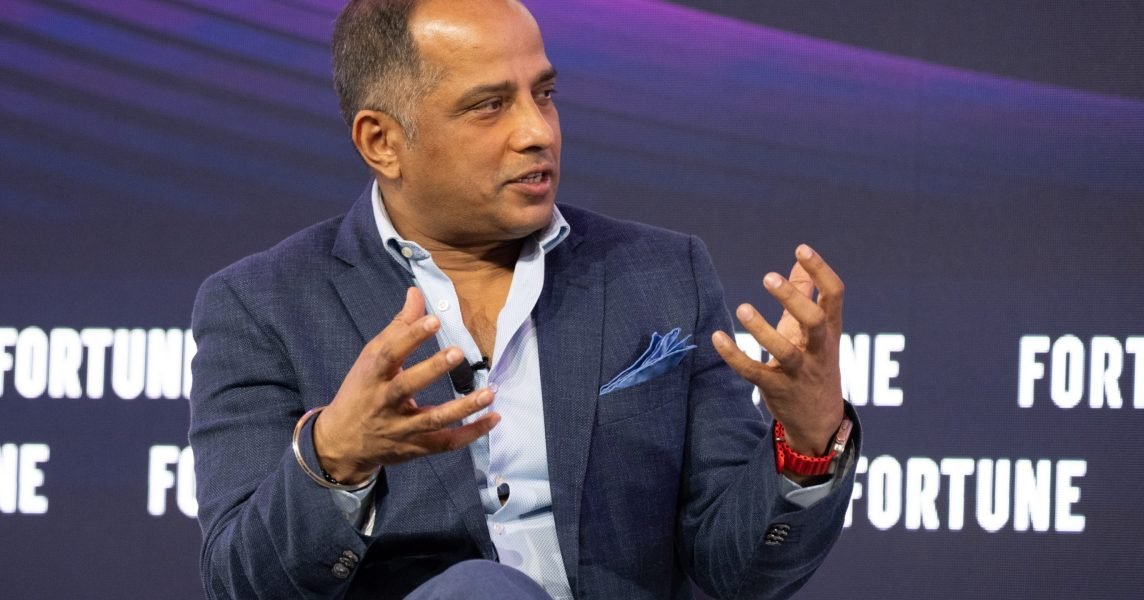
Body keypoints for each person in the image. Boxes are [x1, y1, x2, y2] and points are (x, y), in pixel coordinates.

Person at [188, 0, 861, 598]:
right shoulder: (262, 306)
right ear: (382, 142)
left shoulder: (660, 274)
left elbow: (739, 573)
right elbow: (244, 584)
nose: (538, 131)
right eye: (490, 105)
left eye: (544, 94)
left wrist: (807, 441)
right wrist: (333, 459)